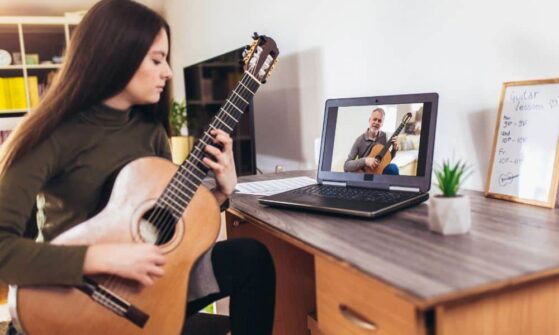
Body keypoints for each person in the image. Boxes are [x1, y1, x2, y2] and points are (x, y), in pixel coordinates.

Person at [0, 1, 275, 334]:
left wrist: (221, 192)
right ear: (116, 56)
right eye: (157, 59)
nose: (168, 72)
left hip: (144, 286)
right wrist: (105, 258)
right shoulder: (51, 135)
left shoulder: (150, 131)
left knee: (251, 258)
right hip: (71, 296)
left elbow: (162, 221)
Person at [343, 107, 400, 175]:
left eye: (379, 121)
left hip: (379, 171)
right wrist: (365, 161)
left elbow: (386, 159)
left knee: (393, 168)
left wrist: (394, 149)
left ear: (382, 124)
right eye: (374, 119)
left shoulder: (384, 137)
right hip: (365, 173)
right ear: (369, 120)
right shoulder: (359, 140)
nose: (376, 122)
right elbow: (346, 165)